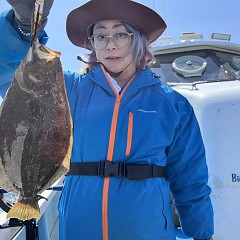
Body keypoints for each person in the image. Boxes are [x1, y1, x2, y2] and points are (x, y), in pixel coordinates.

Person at [0, 0, 214, 239]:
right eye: (100, 37)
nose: (110, 45)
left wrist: (201, 233)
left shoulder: (173, 104)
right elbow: (17, 78)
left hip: (148, 231)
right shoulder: (68, 87)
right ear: (92, 44)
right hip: (79, 230)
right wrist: (24, 29)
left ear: (139, 40)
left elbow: (190, 178)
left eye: (121, 34)